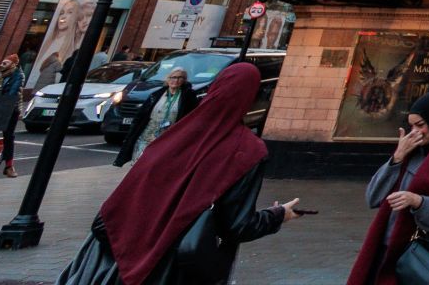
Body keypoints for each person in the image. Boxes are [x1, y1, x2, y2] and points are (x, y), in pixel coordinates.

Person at [56, 62, 299, 284]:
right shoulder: (246, 150)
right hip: (170, 267)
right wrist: (278, 215)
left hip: (112, 257)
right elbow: (236, 225)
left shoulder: (173, 136)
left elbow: (125, 198)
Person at [347, 92, 429, 285]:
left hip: (416, 254)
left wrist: (417, 202)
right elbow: (373, 198)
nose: (415, 132)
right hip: (384, 246)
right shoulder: (409, 148)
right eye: (411, 125)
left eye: (420, 125)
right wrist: (397, 157)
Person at [116, 67, 199, 165]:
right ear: (167, 79)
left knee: (157, 164)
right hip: (148, 134)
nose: (175, 80)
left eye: (180, 78)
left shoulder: (188, 96)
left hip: (169, 136)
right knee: (140, 163)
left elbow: (191, 118)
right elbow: (141, 116)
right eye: (173, 77)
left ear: (184, 80)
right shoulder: (156, 95)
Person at [0, 55, 24, 179]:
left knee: (8, 135)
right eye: (1, 63)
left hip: (10, 109)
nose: (1, 65)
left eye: (5, 63)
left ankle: (9, 166)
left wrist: (4, 103)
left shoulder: (18, 75)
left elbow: (12, 92)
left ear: (12, 64)